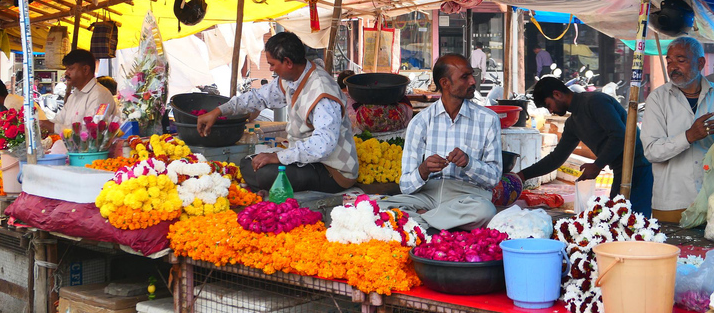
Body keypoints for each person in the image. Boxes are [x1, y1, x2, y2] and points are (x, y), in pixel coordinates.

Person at [197, 32, 358, 193]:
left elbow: (323, 144)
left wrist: (278, 157)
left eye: (272, 64)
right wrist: (219, 111)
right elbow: (258, 98)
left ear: (288, 62)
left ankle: (269, 186)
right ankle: (270, 186)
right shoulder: (291, 79)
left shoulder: (322, 91)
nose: (271, 69)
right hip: (306, 162)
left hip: (332, 171)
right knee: (248, 163)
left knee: (267, 174)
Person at [377, 54, 502, 231]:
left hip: (467, 197)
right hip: (427, 194)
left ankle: (423, 219)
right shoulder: (420, 122)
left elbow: (494, 178)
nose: (473, 81)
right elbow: (405, 185)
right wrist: (423, 170)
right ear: (445, 83)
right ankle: (441, 220)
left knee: (484, 211)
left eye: (471, 75)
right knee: (378, 207)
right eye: (465, 77)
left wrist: (469, 163)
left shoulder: (488, 120)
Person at [641, 36, 714, 222]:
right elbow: (651, 152)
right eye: (669, 61)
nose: (673, 67)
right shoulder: (657, 99)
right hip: (674, 202)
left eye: (681, 60)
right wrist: (689, 136)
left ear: (700, 63)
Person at [516, 77, 653, 216]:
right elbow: (556, 158)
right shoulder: (572, 124)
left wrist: (597, 165)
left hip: (640, 168)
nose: (550, 111)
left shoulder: (594, 101)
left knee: (635, 224)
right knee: (618, 222)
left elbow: (619, 135)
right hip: (620, 173)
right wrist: (522, 175)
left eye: (548, 105)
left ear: (557, 94)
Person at [39, 49, 118, 134]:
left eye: (71, 68)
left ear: (85, 70)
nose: (66, 73)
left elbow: (92, 130)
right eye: (67, 69)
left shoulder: (100, 95)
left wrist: (53, 127)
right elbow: (59, 120)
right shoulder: (74, 96)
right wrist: (42, 124)